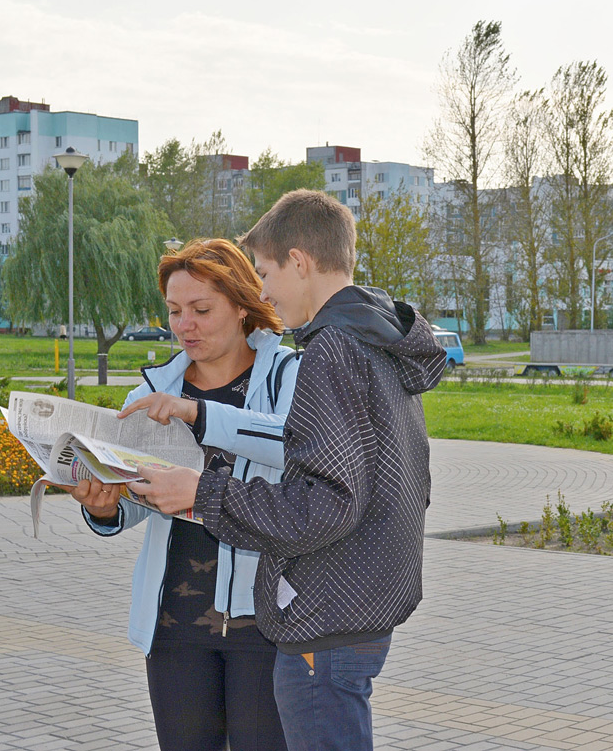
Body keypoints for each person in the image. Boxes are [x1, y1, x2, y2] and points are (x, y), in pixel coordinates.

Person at [129, 190, 447, 751]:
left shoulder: (330, 351)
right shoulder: (374, 341)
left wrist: (203, 495)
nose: (266, 290)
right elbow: (392, 482)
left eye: (268, 272)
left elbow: (326, 501)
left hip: (325, 616)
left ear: (299, 261)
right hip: (361, 607)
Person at [72, 238, 298, 751]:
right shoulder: (150, 394)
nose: (184, 325)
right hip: (175, 625)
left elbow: (300, 451)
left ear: (243, 307)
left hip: (265, 624)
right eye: (174, 311)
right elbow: (134, 502)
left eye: (201, 309)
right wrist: (105, 508)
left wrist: (201, 415)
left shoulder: (288, 375)